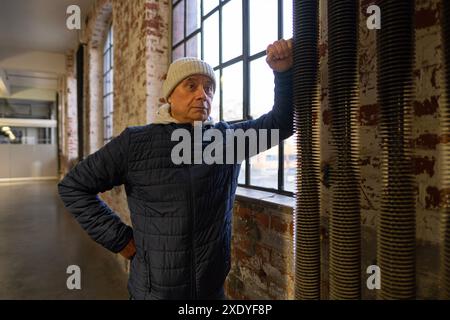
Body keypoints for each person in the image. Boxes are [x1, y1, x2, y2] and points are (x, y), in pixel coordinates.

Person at [57, 38, 293, 300]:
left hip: (210, 291)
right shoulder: (137, 142)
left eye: (209, 88)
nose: (202, 94)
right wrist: (120, 239)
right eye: (191, 86)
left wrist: (283, 74)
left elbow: (282, 123)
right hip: (154, 291)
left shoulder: (226, 140)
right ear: (170, 95)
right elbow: (73, 186)